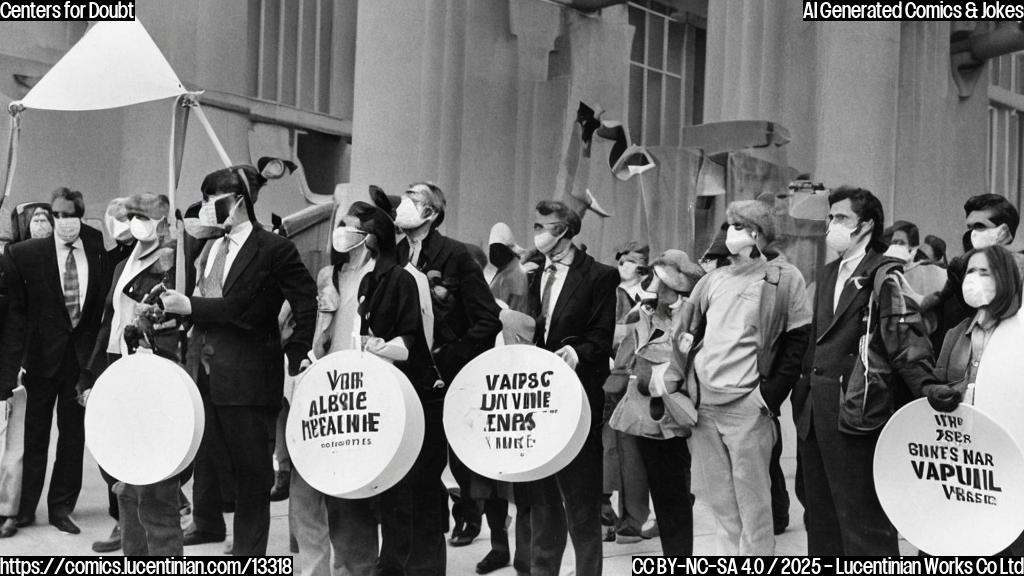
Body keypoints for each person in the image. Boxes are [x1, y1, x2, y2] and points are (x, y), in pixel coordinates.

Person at [160, 165, 317, 556]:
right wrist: (176, 310)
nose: (208, 207)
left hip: (249, 372)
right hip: (206, 368)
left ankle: (249, 552)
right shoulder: (212, 247)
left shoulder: (274, 248)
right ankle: (209, 523)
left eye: (214, 199)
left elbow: (296, 301)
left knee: (252, 472)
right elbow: (206, 302)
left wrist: (297, 351)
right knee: (209, 456)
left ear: (239, 201)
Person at [793, 186, 941, 556]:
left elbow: (904, 338)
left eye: (841, 218)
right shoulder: (827, 272)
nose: (832, 225)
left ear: (866, 225)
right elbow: (815, 341)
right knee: (821, 518)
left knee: (862, 521)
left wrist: (928, 388)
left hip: (855, 409)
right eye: (830, 218)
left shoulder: (883, 273)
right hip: (814, 412)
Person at [680, 195, 811, 555]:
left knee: (754, 509)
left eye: (739, 226)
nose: (731, 232)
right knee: (721, 506)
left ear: (758, 234)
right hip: (704, 406)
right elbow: (688, 334)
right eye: (729, 225)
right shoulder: (713, 279)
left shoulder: (784, 278)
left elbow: (796, 343)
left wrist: (767, 398)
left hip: (747, 406)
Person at [394, 182, 501, 554]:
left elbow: (488, 320)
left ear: (432, 213)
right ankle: (426, 535)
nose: (405, 204)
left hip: (446, 380)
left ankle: (469, 516)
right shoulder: (394, 256)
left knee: (456, 461)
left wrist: (449, 356)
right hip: (406, 380)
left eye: (415, 199)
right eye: (405, 196)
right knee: (414, 470)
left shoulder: (454, 255)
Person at [78, 193, 185, 556]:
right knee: (121, 468)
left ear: (163, 220)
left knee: (153, 481)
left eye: (144, 216)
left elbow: (175, 326)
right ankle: (130, 538)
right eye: (132, 215)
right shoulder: (126, 261)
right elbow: (109, 321)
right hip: (116, 365)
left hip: (152, 373)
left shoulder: (173, 261)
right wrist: (91, 374)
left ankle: (160, 551)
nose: (136, 222)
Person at [0, 187, 110, 535]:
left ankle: (61, 507)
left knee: (73, 437)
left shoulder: (96, 249)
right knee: (33, 437)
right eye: (57, 216)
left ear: (81, 215)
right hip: (40, 361)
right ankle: (25, 509)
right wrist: (10, 366)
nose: (64, 223)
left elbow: (100, 312)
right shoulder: (25, 255)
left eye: (70, 216)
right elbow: (16, 317)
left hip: (78, 363)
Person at [521, 199, 618, 576]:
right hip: (536, 401)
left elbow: (601, 336)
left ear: (563, 231)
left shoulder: (599, 276)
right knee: (542, 502)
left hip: (576, 400)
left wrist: (576, 353)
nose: (537, 233)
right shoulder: (534, 274)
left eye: (543, 226)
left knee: (580, 503)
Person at [924, 244, 1024, 555]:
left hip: (1007, 465)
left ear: (1005, 279)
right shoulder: (956, 334)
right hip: (960, 463)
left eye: (985, 272)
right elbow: (937, 388)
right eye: (970, 272)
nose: (974, 279)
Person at [611, 249, 704, 555]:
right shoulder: (645, 314)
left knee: (673, 497)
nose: (653, 284)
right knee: (660, 494)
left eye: (659, 279)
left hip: (674, 415)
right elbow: (624, 348)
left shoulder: (692, 316)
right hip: (644, 415)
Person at [603, 241, 652, 543]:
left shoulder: (650, 295)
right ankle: (605, 511)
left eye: (634, 260)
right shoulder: (608, 291)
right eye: (622, 259)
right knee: (608, 449)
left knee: (634, 455)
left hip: (640, 379)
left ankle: (633, 519)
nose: (626, 264)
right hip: (611, 378)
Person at [484, 222, 529, 313]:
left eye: (498, 248)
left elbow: (515, 309)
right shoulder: (505, 270)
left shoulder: (517, 273)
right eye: (492, 248)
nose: (494, 253)